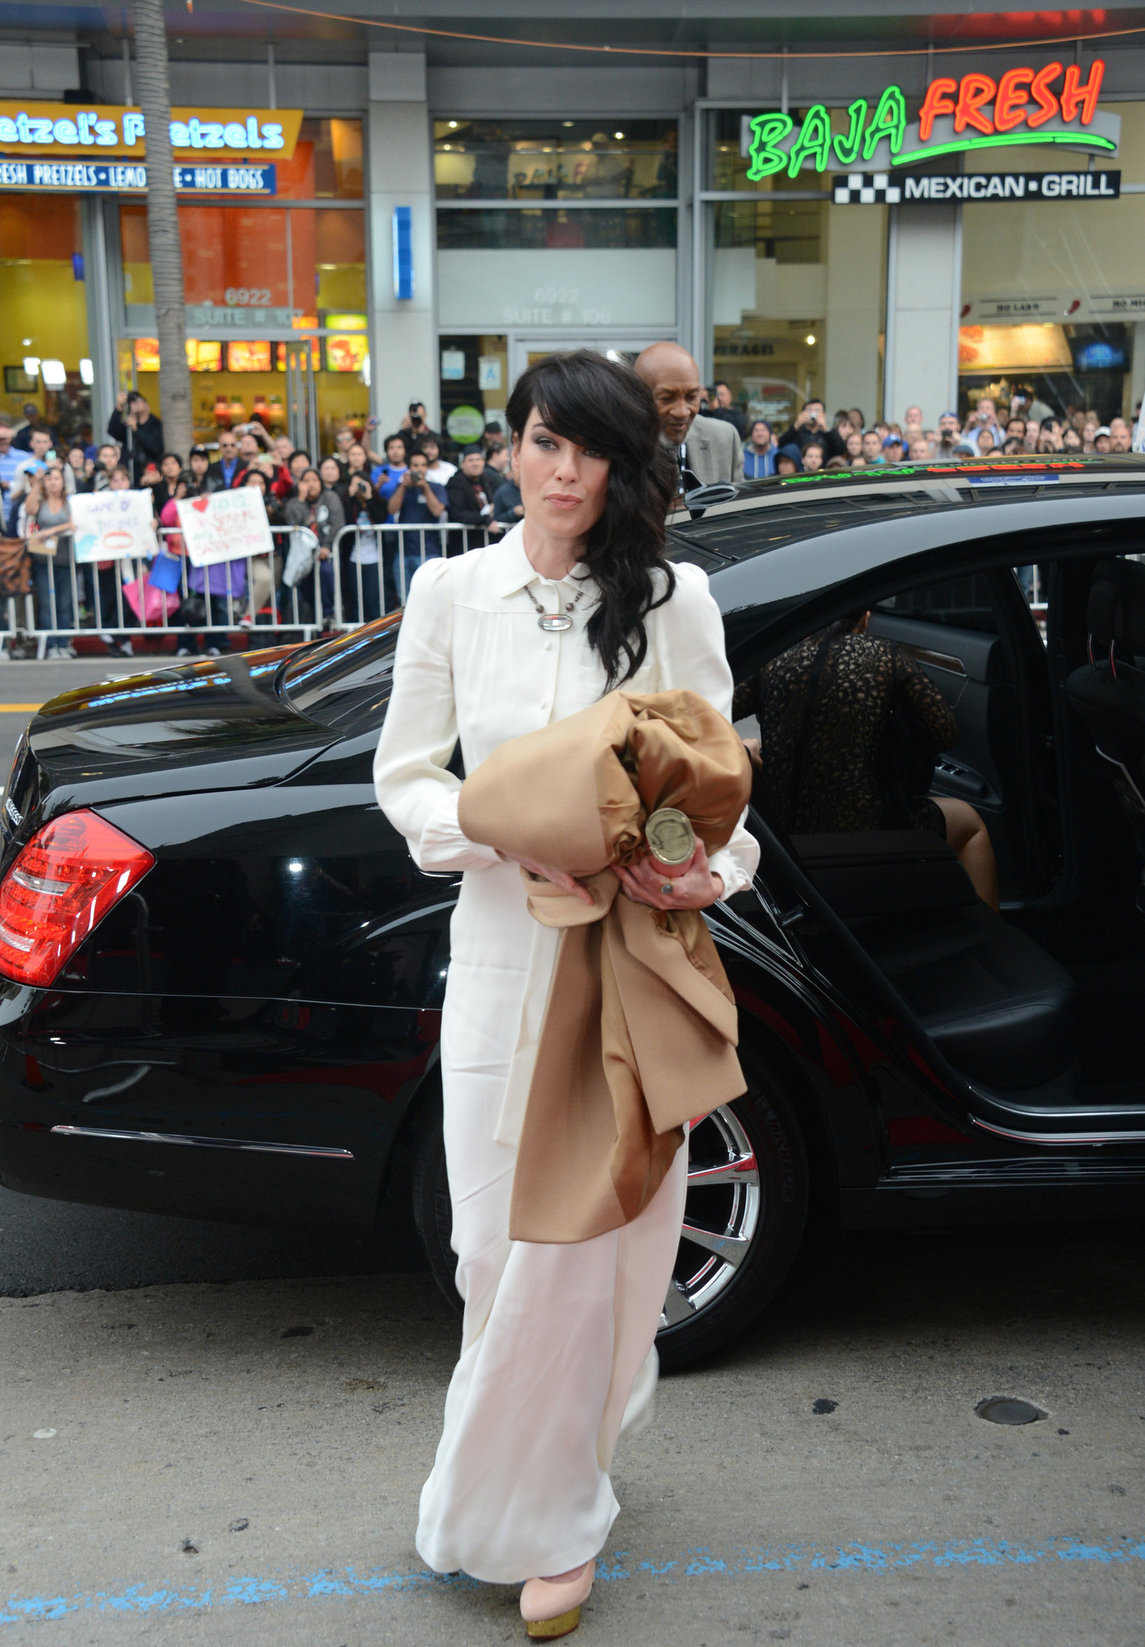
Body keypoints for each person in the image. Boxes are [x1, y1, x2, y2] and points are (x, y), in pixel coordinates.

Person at [372, 348, 759, 1636]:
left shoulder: (669, 596)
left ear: (621, 465)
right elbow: (405, 775)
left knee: (601, 1251)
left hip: (630, 965)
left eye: (588, 451)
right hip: (497, 954)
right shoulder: (448, 590)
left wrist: (705, 873)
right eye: (544, 442)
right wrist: (501, 830)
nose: (563, 472)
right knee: (493, 1255)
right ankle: (543, 1456)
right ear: (512, 446)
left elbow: (717, 780)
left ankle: (550, 1518)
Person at [736, 607, 997, 909]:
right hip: (865, 839)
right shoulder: (886, 655)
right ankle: (990, 937)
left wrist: (746, 750)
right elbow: (946, 733)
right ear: (865, 618)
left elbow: (713, 716)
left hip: (783, 843)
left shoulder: (774, 660)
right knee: (971, 824)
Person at [633, 341, 743, 492]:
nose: (682, 412)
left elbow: (736, 509)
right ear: (638, 396)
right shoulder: (614, 447)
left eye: (691, 397)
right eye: (667, 398)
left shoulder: (725, 439)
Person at [18, 462, 76, 658]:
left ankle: (64, 642)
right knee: (47, 603)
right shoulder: (41, 501)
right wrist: (36, 484)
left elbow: (75, 523)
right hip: (44, 561)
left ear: (63, 481)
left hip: (66, 559)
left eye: (56, 478)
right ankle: (51, 645)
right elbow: (29, 508)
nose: (53, 483)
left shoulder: (70, 502)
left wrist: (51, 530)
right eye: (49, 479)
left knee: (65, 603)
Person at [385, 448, 447, 602]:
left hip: (429, 551)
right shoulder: (402, 487)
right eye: (415, 465)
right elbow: (392, 509)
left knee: (431, 599)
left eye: (423, 465)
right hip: (404, 552)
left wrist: (424, 487)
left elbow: (437, 511)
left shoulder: (436, 487)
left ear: (427, 467)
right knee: (405, 601)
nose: (419, 469)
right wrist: (403, 486)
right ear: (409, 467)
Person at [445, 445, 503, 550]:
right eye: (470, 460)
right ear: (463, 464)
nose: (475, 463)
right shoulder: (455, 483)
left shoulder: (487, 481)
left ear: (483, 462)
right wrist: (485, 520)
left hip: (486, 543)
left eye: (478, 459)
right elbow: (458, 513)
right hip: (464, 545)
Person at [107, 391, 164, 484]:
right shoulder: (129, 425)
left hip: (148, 472)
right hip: (128, 471)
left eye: (137, 401)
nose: (135, 404)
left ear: (146, 404)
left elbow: (155, 447)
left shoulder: (155, 424)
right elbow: (113, 430)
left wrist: (136, 430)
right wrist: (119, 407)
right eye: (132, 402)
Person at [776, 399, 846, 462]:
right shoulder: (797, 432)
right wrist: (797, 424)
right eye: (809, 410)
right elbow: (781, 445)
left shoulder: (828, 433)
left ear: (823, 414)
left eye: (817, 411)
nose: (813, 414)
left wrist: (826, 429)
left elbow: (840, 450)